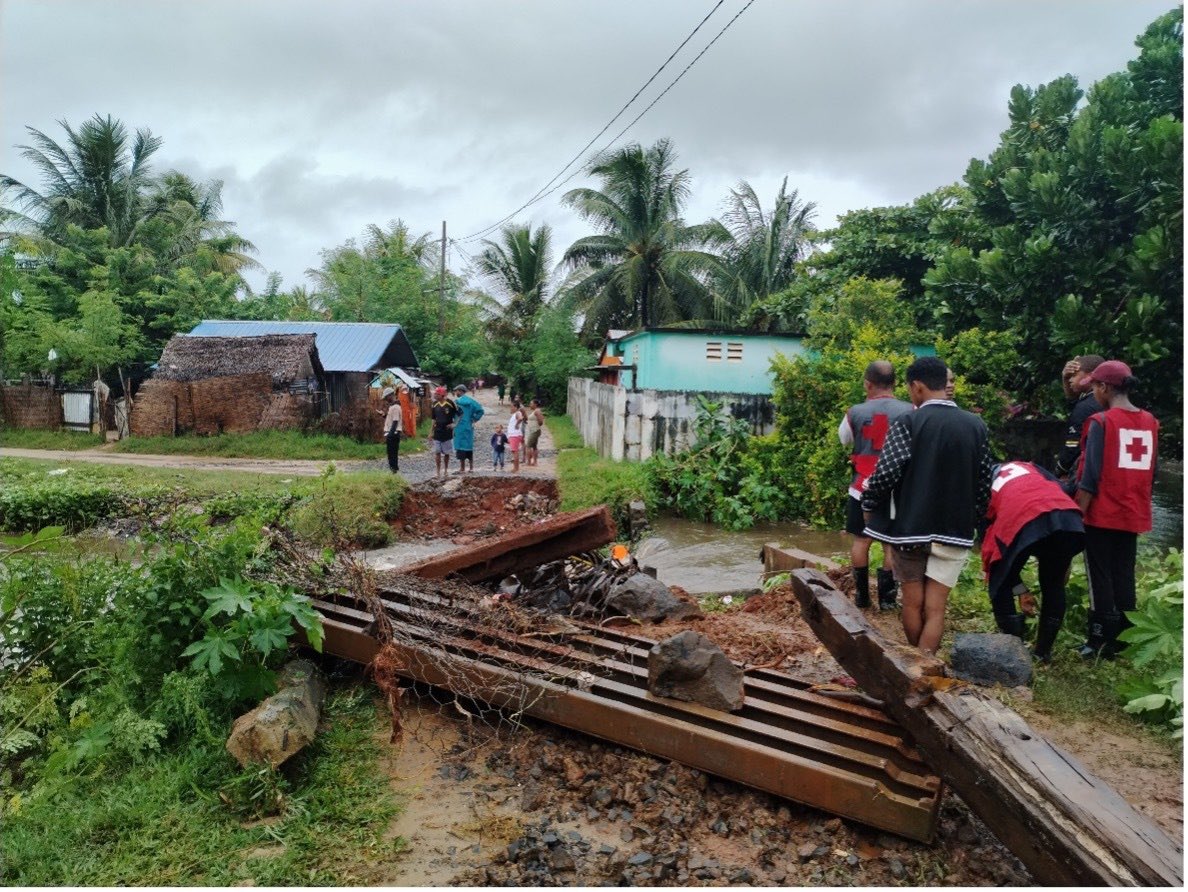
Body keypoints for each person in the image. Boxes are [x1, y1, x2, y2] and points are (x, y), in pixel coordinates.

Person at [861, 357, 994, 655]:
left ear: (917, 387)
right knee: (936, 609)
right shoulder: (975, 425)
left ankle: (915, 665)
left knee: (912, 603)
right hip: (955, 530)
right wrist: (976, 517)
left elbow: (886, 472)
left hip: (910, 530)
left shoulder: (908, 422)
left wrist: (870, 504)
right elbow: (985, 478)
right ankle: (925, 664)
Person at [1073, 360, 1158, 659]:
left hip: (1102, 513)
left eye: (1095, 387)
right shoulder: (1151, 421)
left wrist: (1077, 515)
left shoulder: (1101, 422)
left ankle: (1098, 641)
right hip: (1133, 512)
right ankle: (1124, 638)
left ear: (1104, 388)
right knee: (1124, 574)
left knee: (1100, 576)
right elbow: (1152, 472)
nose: (1094, 393)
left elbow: (1090, 477)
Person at [981, 461, 1085, 662]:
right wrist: (1022, 591)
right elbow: (1065, 488)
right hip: (1068, 517)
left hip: (1025, 515)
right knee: (1054, 585)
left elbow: (996, 557)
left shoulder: (987, 483)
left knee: (999, 581)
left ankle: (1011, 652)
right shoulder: (1032, 467)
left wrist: (1015, 588)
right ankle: (1042, 653)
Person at [838, 360, 913, 609]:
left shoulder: (855, 412)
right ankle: (888, 601)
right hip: (896, 489)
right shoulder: (911, 410)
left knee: (861, 541)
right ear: (895, 384)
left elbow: (844, 440)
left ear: (867, 384)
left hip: (861, 486)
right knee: (890, 543)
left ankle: (861, 598)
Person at [1055, 354, 1105, 487]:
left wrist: (1061, 469)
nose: (1070, 380)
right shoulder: (1100, 400)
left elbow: (1073, 446)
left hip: (1085, 473)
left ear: (1089, 377)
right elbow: (1073, 401)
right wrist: (1065, 378)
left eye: (1074, 375)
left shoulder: (1086, 407)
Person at [451, 384, 485, 474]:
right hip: (468, 426)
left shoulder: (456, 402)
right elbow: (481, 411)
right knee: (468, 446)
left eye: (457, 391)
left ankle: (462, 468)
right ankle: (471, 467)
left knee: (460, 447)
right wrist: (474, 419)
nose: (456, 393)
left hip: (459, 427)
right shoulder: (471, 401)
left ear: (461, 391)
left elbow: (454, 415)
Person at [429, 386, 458, 478]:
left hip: (447, 431)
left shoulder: (450, 403)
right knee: (437, 452)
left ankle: (445, 470)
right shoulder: (434, 404)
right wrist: (431, 432)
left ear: (442, 395)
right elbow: (433, 419)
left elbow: (460, 414)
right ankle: (438, 471)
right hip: (437, 431)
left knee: (446, 452)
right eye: (435, 394)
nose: (435, 395)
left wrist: (454, 424)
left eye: (437, 394)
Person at [378, 387, 403, 473]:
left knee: (392, 454)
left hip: (394, 433)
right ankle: (393, 471)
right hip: (392, 433)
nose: (386, 399)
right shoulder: (393, 406)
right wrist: (384, 415)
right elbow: (392, 420)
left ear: (391, 395)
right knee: (391, 454)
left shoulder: (395, 407)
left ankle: (394, 471)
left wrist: (390, 434)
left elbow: (395, 422)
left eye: (386, 397)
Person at [506, 401, 526, 473]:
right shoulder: (515, 414)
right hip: (514, 435)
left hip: (515, 435)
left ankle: (516, 468)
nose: (510, 408)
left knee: (515, 452)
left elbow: (520, 418)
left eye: (512, 407)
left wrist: (517, 424)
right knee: (514, 451)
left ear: (515, 407)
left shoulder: (518, 413)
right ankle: (516, 467)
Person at [525, 399, 545, 467]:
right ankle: (535, 462)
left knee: (528, 446)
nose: (530, 405)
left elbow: (541, 421)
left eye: (531, 404)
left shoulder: (537, 411)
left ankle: (529, 462)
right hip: (534, 430)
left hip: (534, 430)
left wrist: (536, 425)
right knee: (534, 446)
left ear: (535, 404)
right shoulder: (535, 411)